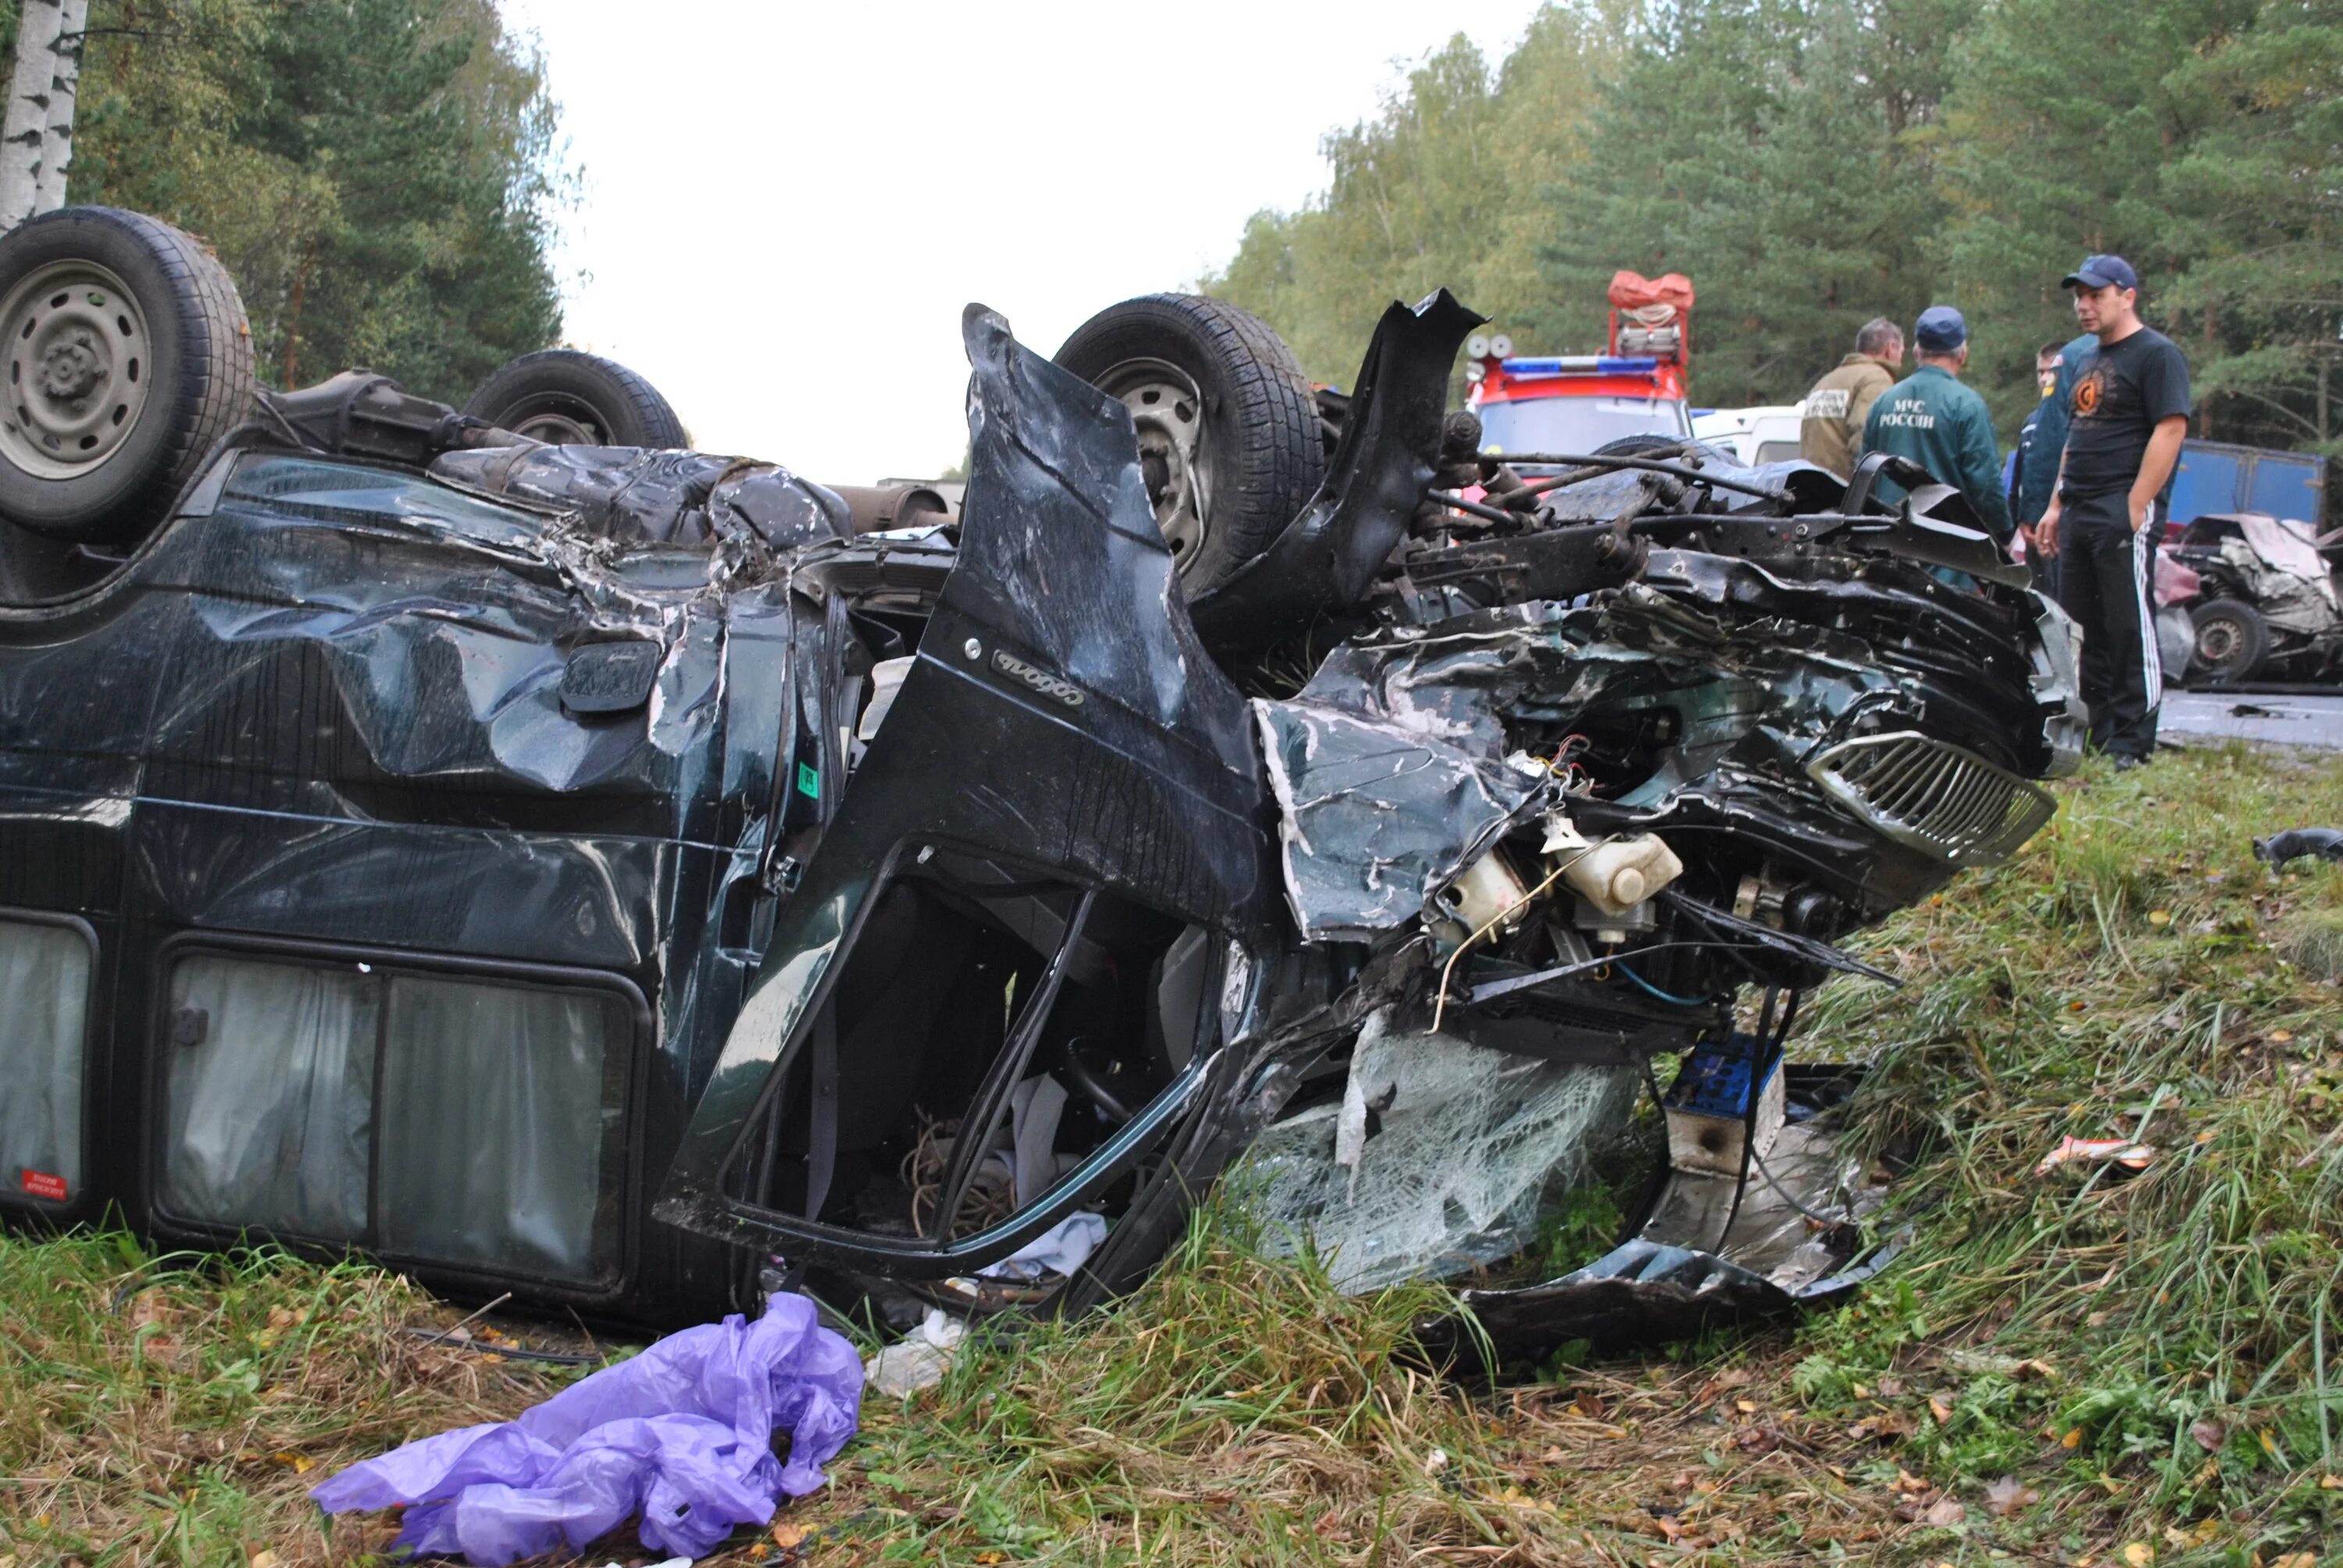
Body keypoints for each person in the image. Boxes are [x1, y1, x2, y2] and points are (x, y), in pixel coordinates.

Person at [2038, 255, 2191, 769]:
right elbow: (2075, 436)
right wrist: (2057, 503)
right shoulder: (2086, 360)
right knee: (2081, 629)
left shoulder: (2156, 355)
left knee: (2128, 625)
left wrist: (2136, 503)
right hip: (2080, 507)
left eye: (2095, 295)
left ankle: (2131, 740)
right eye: (2079, 296)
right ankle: (2094, 732)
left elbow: (2170, 429)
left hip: (2121, 507)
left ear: (2127, 296)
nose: (2083, 306)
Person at [1859, 305, 2013, 539]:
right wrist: (2002, 532)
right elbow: (1985, 485)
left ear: (1917, 351)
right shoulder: (1966, 405)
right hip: (1946, 551)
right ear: (1963, 353)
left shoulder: (1884, 402)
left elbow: (1864, 473)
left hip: (1889, 543)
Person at [2008, 339, 2074, 593]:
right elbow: (2020, 477)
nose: (2045, 378)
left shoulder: (2071, 419)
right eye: (2041, 371)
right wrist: (2020, 517)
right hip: (2033, 531)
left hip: (2061, 529)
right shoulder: (2030, 423)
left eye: (2051, 372)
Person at [1799, 317, 1903, 479]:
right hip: (1844, 493)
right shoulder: (1876, 379)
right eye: (1901, 351)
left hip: (1811, 488)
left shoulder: (1826, 381)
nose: (1901, 360)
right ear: (1890, 348)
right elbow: (1865, 436)